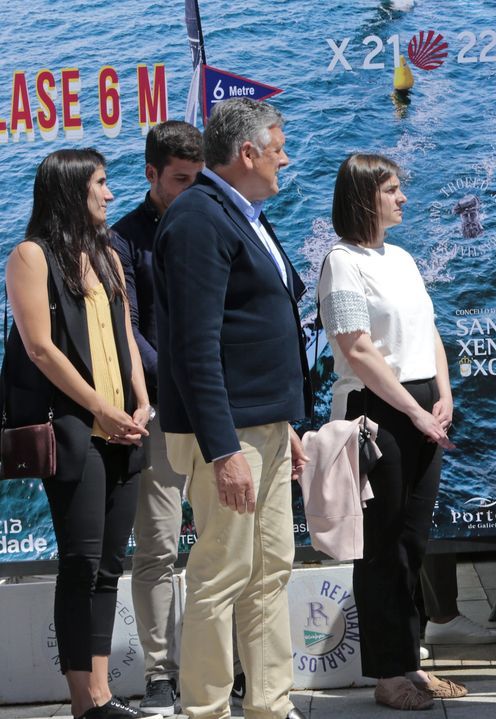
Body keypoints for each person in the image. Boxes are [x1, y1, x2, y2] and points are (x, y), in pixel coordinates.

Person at [154, 98, 310, 719]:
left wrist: (284, 423)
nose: (285, 158)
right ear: (246, 153)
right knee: (220, 575)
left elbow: (255, 326)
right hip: (227, 435)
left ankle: (270, 706)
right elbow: (194, 348)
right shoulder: (199, 219)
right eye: (277, 147)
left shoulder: (241, 213)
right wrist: (222, 448)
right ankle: (207, 710)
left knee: (271, 569)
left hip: (262, 425)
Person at [4, 150, 153, 719]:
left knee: (111, 562)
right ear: (70, 189)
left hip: (124, 425)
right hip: (74, 427)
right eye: (100, 183)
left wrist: (140, 402)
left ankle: (102, 696)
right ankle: (84, 700)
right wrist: (101, 409)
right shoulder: (30, 256)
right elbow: (39, 348)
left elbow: (127, 336)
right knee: (81, 562)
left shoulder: (109, 255)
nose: (110, 195)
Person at [316, 153, 469, 709]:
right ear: (365, 197)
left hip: (422, 403)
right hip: (377, 410)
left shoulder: (402, 257)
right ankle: (386, 674)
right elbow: (356, 348)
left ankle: (411, 661)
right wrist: (414, 411)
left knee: (413, 544)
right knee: (380, 547)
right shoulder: (341, 263)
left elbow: (429, 330)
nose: (403, 198)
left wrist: (444, 395)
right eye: (394, 190)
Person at [110, 120, 204, 717]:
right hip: (164, 415)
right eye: (180, 179)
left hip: (219, 409)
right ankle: (160, 673)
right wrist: (178, 382)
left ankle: (229, 664)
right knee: (158, 551)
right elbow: (130, 332)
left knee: (226, 546)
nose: (192, 189)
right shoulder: (122, 241)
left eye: (199, 179)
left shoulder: (214, 220)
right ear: (150, 175)